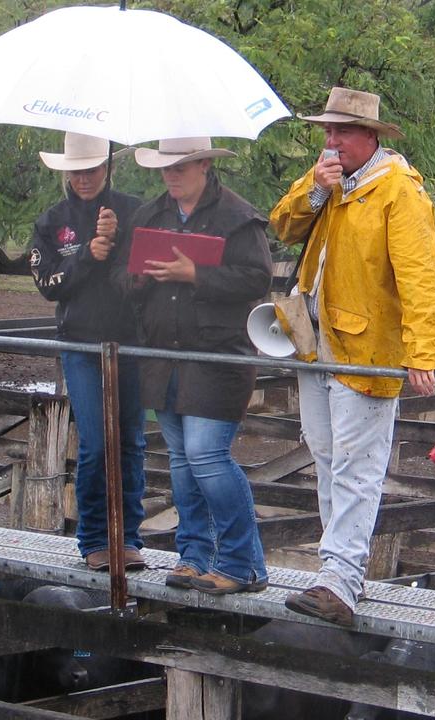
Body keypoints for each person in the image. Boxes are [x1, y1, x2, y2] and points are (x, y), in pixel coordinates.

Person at [270, 87, 435, 626]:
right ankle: (338, 575)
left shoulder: (400, 191)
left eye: (341, 131)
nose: (331, 140)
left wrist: (422, 350)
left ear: (370, 136)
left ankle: (340, 579)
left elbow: (421, 276)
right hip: (314, 342)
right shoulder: (325, 179)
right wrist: (314, 194)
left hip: (367, 348)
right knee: (326, 456)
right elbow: (280, 226)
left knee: (357, 465)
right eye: (327, 130)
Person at [112, 137, 272, 595]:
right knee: (182, 461)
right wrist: (140, 278)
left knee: (206, 456)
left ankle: (243, 564)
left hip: (218, 355)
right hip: (163, 355)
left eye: (180, 166)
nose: (171, 175)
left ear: (204, 164)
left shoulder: (239, 218)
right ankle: (194, 555)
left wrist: (194, 276)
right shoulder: (148, 216)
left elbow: (258, 279)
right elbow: (121, 279)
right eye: (165, 167)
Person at [30, 132, 146, 573]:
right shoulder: (50, 222)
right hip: (80, 344)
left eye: (91, 168)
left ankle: (129, 536)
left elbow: (146, 272)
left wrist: (117, 247)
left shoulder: (135, 212)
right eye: (76, 170)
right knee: (97, 444)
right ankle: (95, 537)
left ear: (106, 167)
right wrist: (87, 256)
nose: (83, 177)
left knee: (132, 442)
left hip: (132, 342)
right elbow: (47, 285)